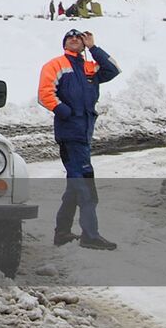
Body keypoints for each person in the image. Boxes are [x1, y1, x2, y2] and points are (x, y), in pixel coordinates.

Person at [37, 28, 121, 249]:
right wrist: (66, 113)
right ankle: (90, 235)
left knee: (75, 184)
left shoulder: (89, 68)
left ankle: (62, 232)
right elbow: (45, 94)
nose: (74, 39)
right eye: (69, 37)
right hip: (70, 134)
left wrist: (93, 47)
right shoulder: (55, 65)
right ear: (64, 43)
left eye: (79, 38)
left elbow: (113, 70)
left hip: (84, 133)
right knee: (85, 185)